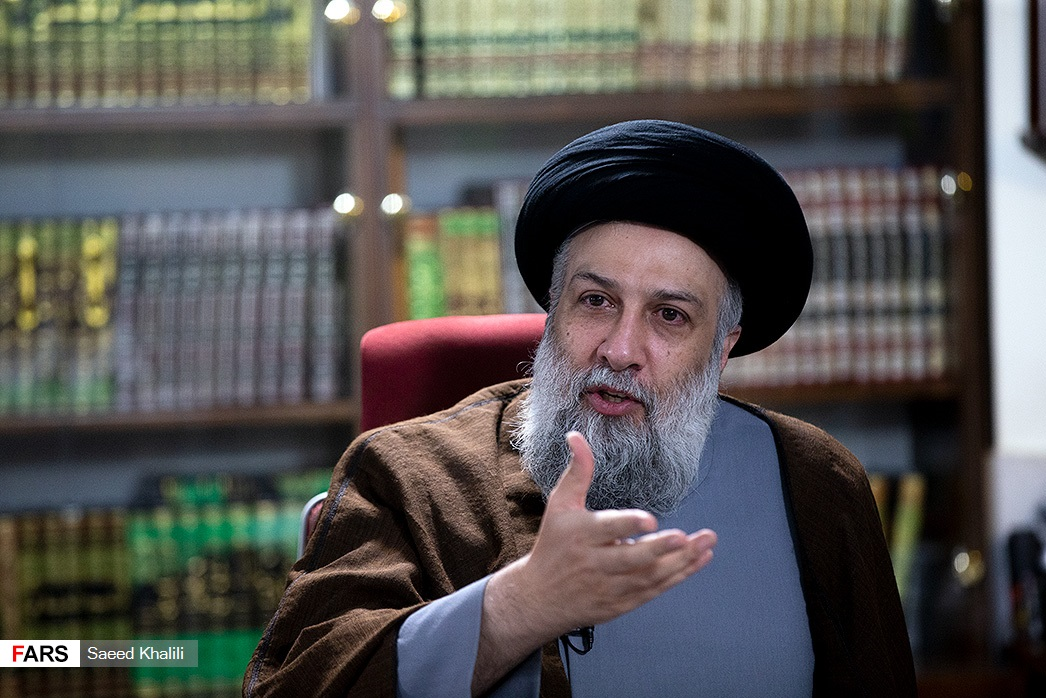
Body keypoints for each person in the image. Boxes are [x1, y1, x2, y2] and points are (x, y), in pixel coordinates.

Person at [243, 120, 916, 697]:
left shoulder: (818, 482)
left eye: (670, 315)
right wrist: (518, 607)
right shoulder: (406, 476)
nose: (620, 350)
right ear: (552, 310)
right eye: (596, 301)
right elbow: (297, 685)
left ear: (722, 347)